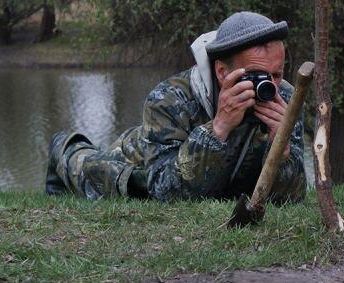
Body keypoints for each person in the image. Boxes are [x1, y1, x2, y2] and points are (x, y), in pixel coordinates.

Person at [44, 11, 306, 202]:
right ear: (222, 71)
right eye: (257, 76)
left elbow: (292, 198)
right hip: (137, 160)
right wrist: (218, 129)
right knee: (89, 170)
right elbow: (165, 192)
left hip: (202, 175)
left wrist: (280, 151)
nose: (269, 86)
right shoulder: (168, 98)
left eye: (277, 74)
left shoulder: (283, 97)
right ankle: (64, 147)